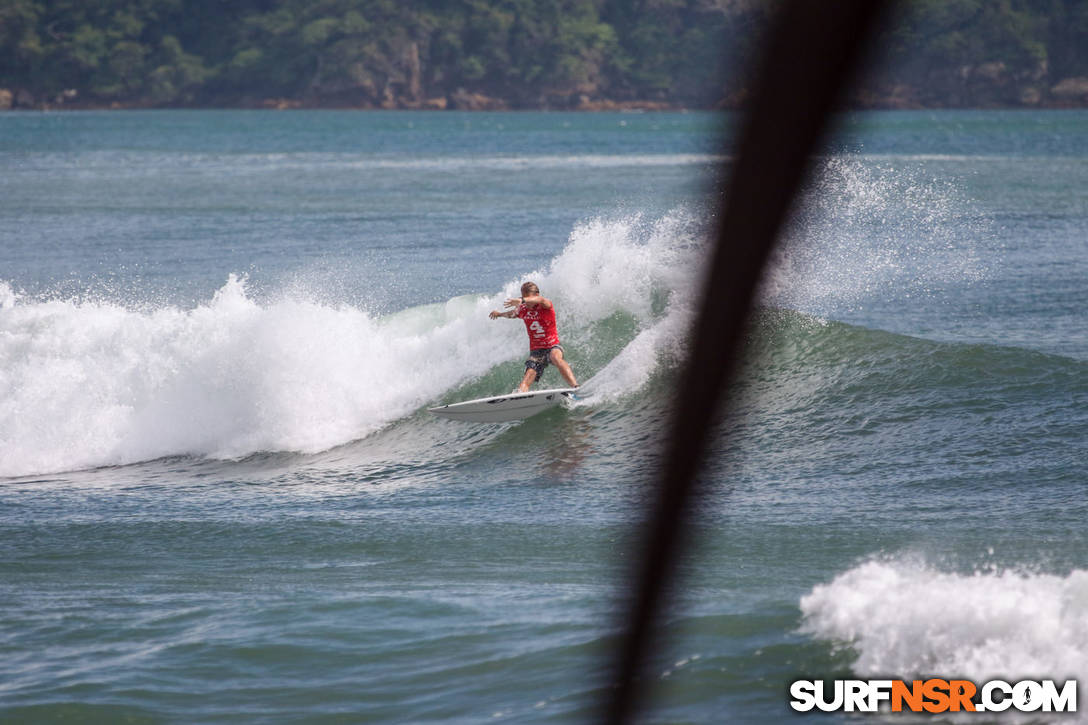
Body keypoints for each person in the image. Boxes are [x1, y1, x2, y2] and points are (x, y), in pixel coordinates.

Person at [489, 281, 579, 393]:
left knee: (555, 357)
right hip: (536, 351)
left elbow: (541, 300)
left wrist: (522, 300)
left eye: (527, 298)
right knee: (526, 379)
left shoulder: (545, 306)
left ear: (535, 295)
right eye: (523, 297)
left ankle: (576, 388)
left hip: (553, 345)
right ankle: (520, 397)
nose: (525, 301)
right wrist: (500, 314)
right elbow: (512, 314)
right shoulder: (523, 310)